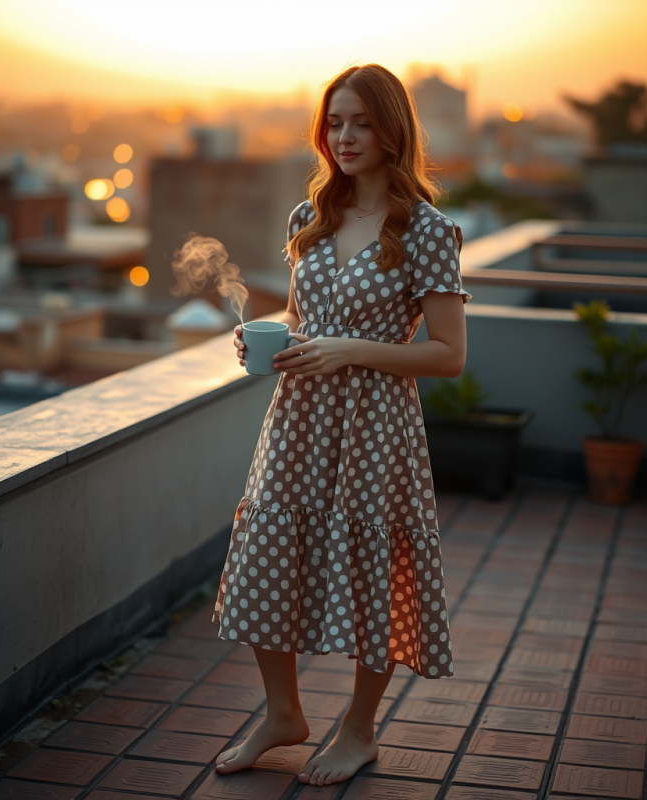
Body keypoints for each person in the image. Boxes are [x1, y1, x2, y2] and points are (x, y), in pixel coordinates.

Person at [211, 63, 470, 786]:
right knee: (269, 546)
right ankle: (282, 712)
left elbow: (449, 356)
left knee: (368, 567)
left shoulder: (427, 229)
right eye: (335, 121)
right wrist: (269, 336)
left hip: (376, 424)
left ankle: (358, 730)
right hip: (297, 419)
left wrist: (352, 351)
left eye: (361, 122)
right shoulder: (309, 217)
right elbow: (304, 321)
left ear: (393, 130)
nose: (345, 136)